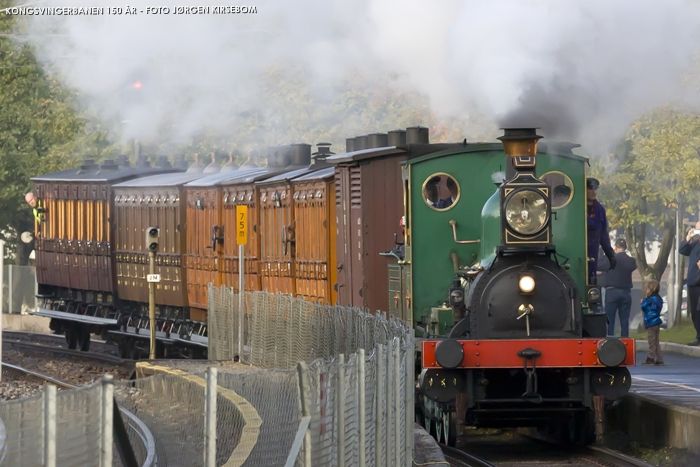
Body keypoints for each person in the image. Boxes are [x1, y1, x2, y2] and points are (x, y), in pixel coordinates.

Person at [602, 238, 637, 337]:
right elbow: (634, 266)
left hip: (611, 292)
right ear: (625, 248)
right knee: (624, 320)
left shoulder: (611, 259)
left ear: (615, 248)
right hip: (626, 293)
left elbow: (599, 265)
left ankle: (610, 340)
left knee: (610, 320)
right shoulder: (631, 261)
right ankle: (625, 340)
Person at [586, 177, 615, 284]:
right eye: (590, 188)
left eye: (595, 189)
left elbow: (604, 235)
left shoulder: (600, 210)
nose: (594, 192)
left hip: (593, 253)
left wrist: (610, 254)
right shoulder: (577, 207)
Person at [679, 221, 700, 345]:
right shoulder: (695, 242)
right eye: (696, 229)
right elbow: (682, 250)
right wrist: (688, 237)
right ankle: (698, 336)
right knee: (695, 312)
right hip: (693, 281)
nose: (697, 231)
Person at [641, 279, 664, 365]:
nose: (645, 291)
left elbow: (644, 307)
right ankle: (659, 358)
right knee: (656, 341)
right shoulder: (658, 299)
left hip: (651, 322)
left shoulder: (650, 299)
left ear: (651, 289)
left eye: (646, 289)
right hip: (656, 322)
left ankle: (650, 357)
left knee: (651, 341)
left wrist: (643, 301)